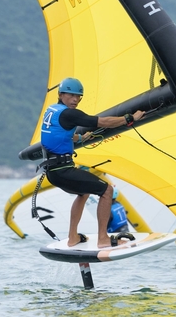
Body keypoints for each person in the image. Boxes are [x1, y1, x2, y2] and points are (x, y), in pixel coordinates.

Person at [40, 77, 144, 248]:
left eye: (78, 96)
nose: (75, 99)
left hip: (53, 172)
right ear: (60, 94)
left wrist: (79, 138)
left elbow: (58, 134)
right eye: (71, 95)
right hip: (63, 170)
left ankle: (73, 237)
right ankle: (103, 239)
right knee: (107, 190)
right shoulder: (69, 114)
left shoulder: (52, 110)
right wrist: (130, 118)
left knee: (84, 192)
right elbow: (102, 122)